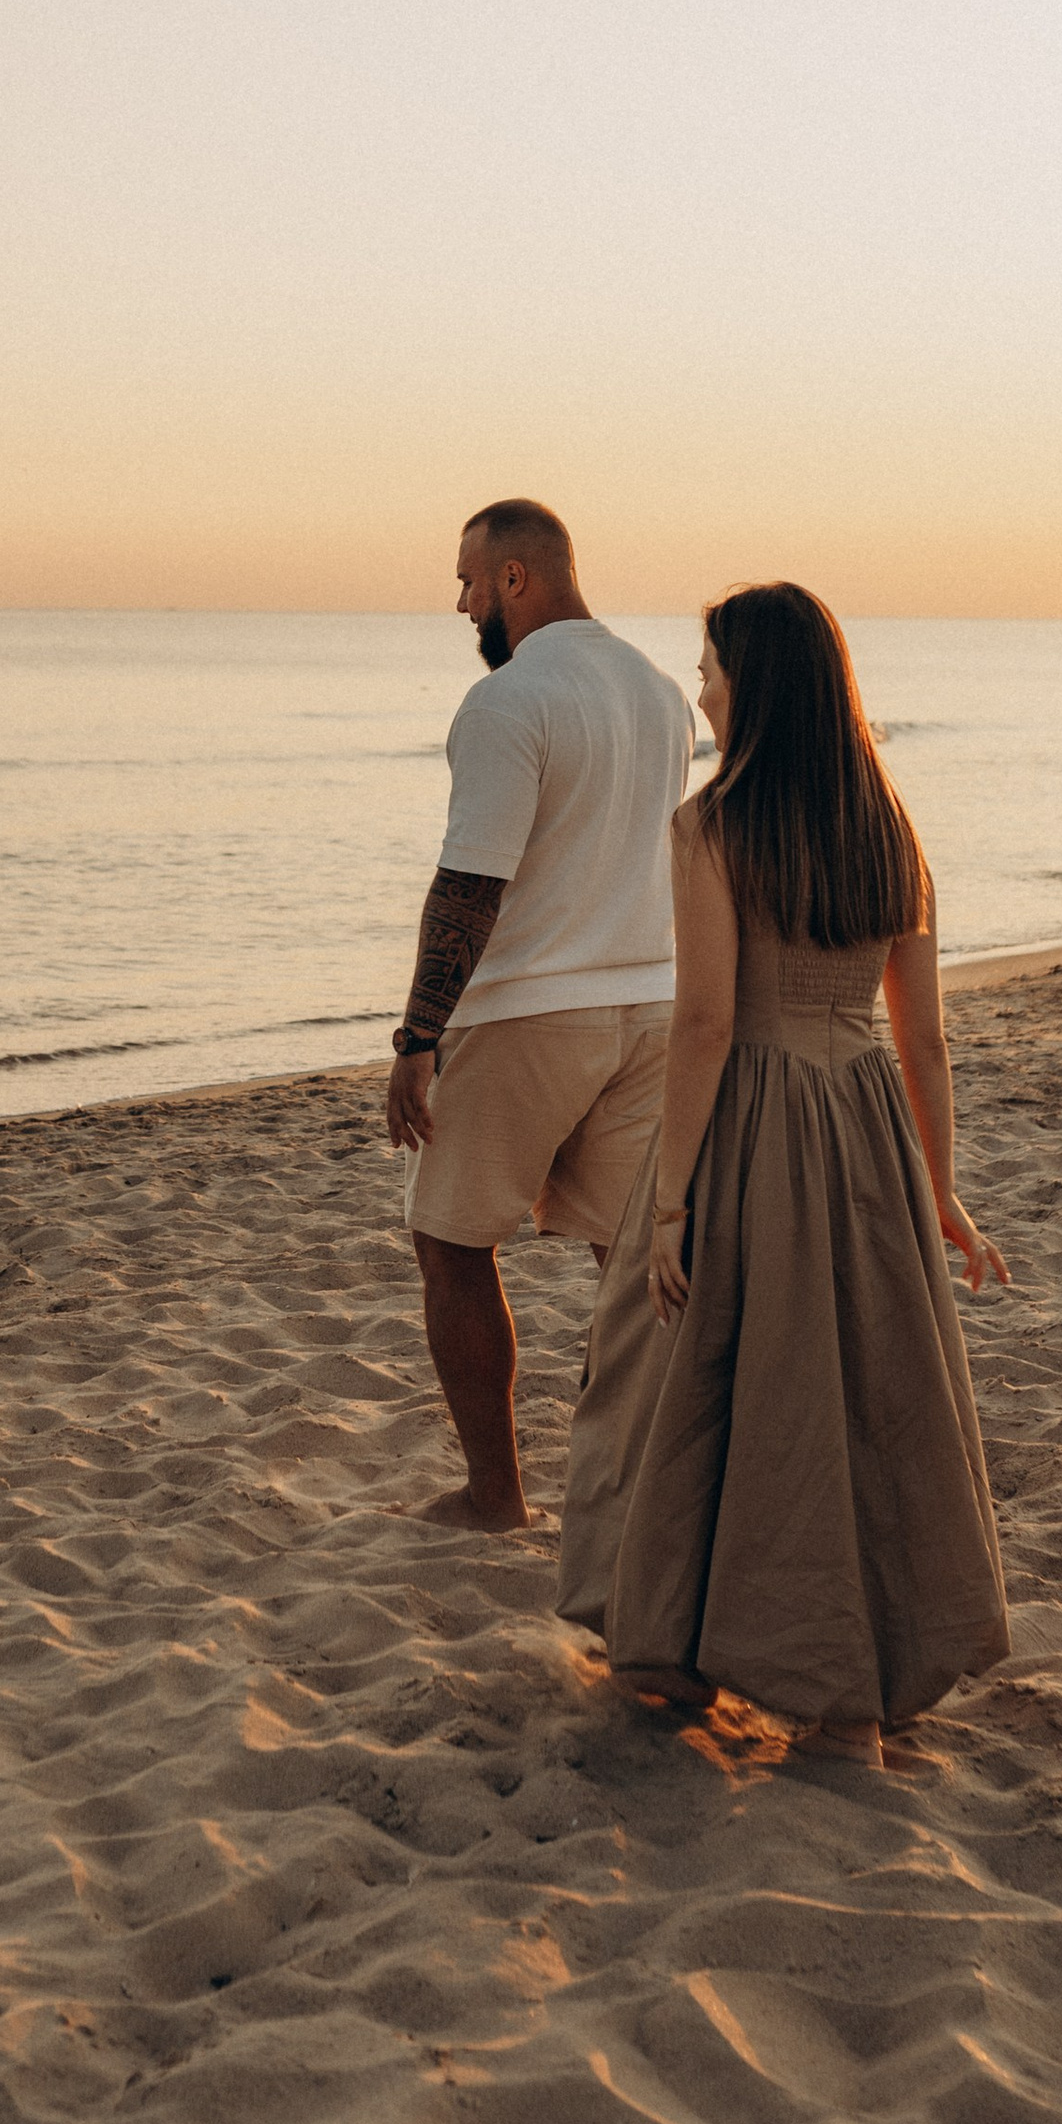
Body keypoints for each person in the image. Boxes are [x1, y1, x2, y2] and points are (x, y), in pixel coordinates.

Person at [557, 582, 1010, 1754]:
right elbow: (924, 1038)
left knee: (693, 1382)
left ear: (753, 680)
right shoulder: (886, 824)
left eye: (707, 666)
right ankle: (846, 1696)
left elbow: (706, 1023)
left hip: (749, 1119)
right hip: (860, 1125)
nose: (697, 686)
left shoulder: (711, 825)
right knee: (853, 1396)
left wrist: (668, 1204)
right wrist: (939, 1188)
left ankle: (678, 1658)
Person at [387, 499, 693, 1531]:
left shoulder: (508, 704)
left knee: (449, 1242)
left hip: (529, 1011)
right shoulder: (660, 695)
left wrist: (416, 1038)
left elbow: (469, 886)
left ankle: (494, 1497)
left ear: (516, 579)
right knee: (631, 1258)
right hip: (647, 1001)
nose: (462, 603)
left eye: (468, 581)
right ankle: (650, 1488)